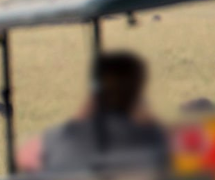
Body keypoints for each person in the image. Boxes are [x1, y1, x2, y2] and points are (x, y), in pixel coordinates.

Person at [16, 51, 167, 173]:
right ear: (138, 90)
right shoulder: (153, 138)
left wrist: (80, 116)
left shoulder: (62, 137)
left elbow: (25, 158)